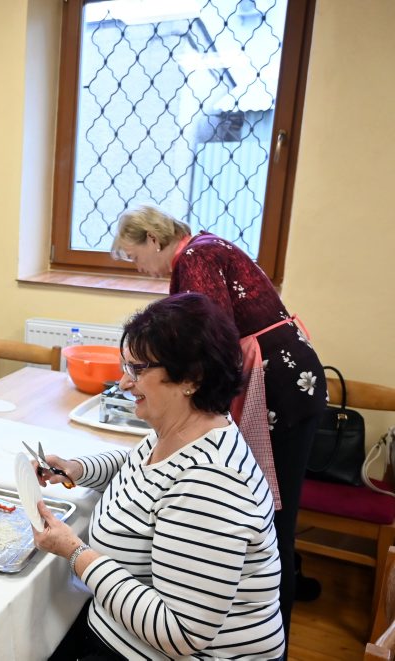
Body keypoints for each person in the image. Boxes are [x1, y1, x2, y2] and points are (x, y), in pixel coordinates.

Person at [111, 205, 327, 641]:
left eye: (135, 256)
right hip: (290, 380)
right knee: (275, 505)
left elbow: (207, 343)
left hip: (282, 388)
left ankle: (273, 625)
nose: (140, 268)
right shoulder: (205, 248)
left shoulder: (195, 258)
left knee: (274, 510)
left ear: (153, 239)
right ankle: (269, 595)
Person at [34, 292, 284, 660]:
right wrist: (79, 468)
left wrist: (76, 553)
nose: (123, 382)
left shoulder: (212, 483)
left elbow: (180, 634)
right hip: (120, 632)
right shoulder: (183, 429)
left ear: (192, 378)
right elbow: (139, 468)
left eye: (137, 369)